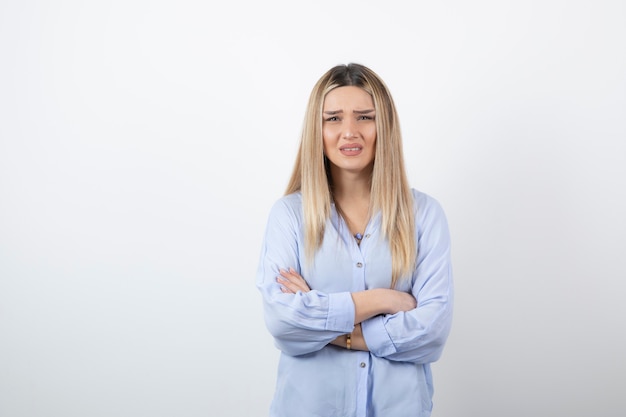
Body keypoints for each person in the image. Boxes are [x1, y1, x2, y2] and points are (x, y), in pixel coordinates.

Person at [256, 63, 454, 417]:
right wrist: (383, 299)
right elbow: (284, 323)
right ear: (316, 130)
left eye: (364, 117)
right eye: (333, 118)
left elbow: (432, 332)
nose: (349, 132)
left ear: (384, 128)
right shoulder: (288, 216)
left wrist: (326, 325)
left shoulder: (424, 216)